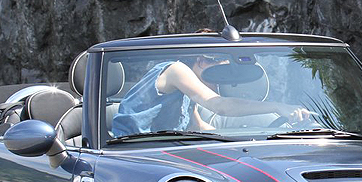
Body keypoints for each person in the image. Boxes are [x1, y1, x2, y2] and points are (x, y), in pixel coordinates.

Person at [111, 49, 310, 137]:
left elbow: (197, 126)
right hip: (133, 149)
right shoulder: (176, 71)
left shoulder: (186, 91)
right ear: (201, 61)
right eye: (217, 72)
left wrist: (251, 138)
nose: (218, 82)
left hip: (162, 147)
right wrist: (277, 106)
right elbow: (220, 105)